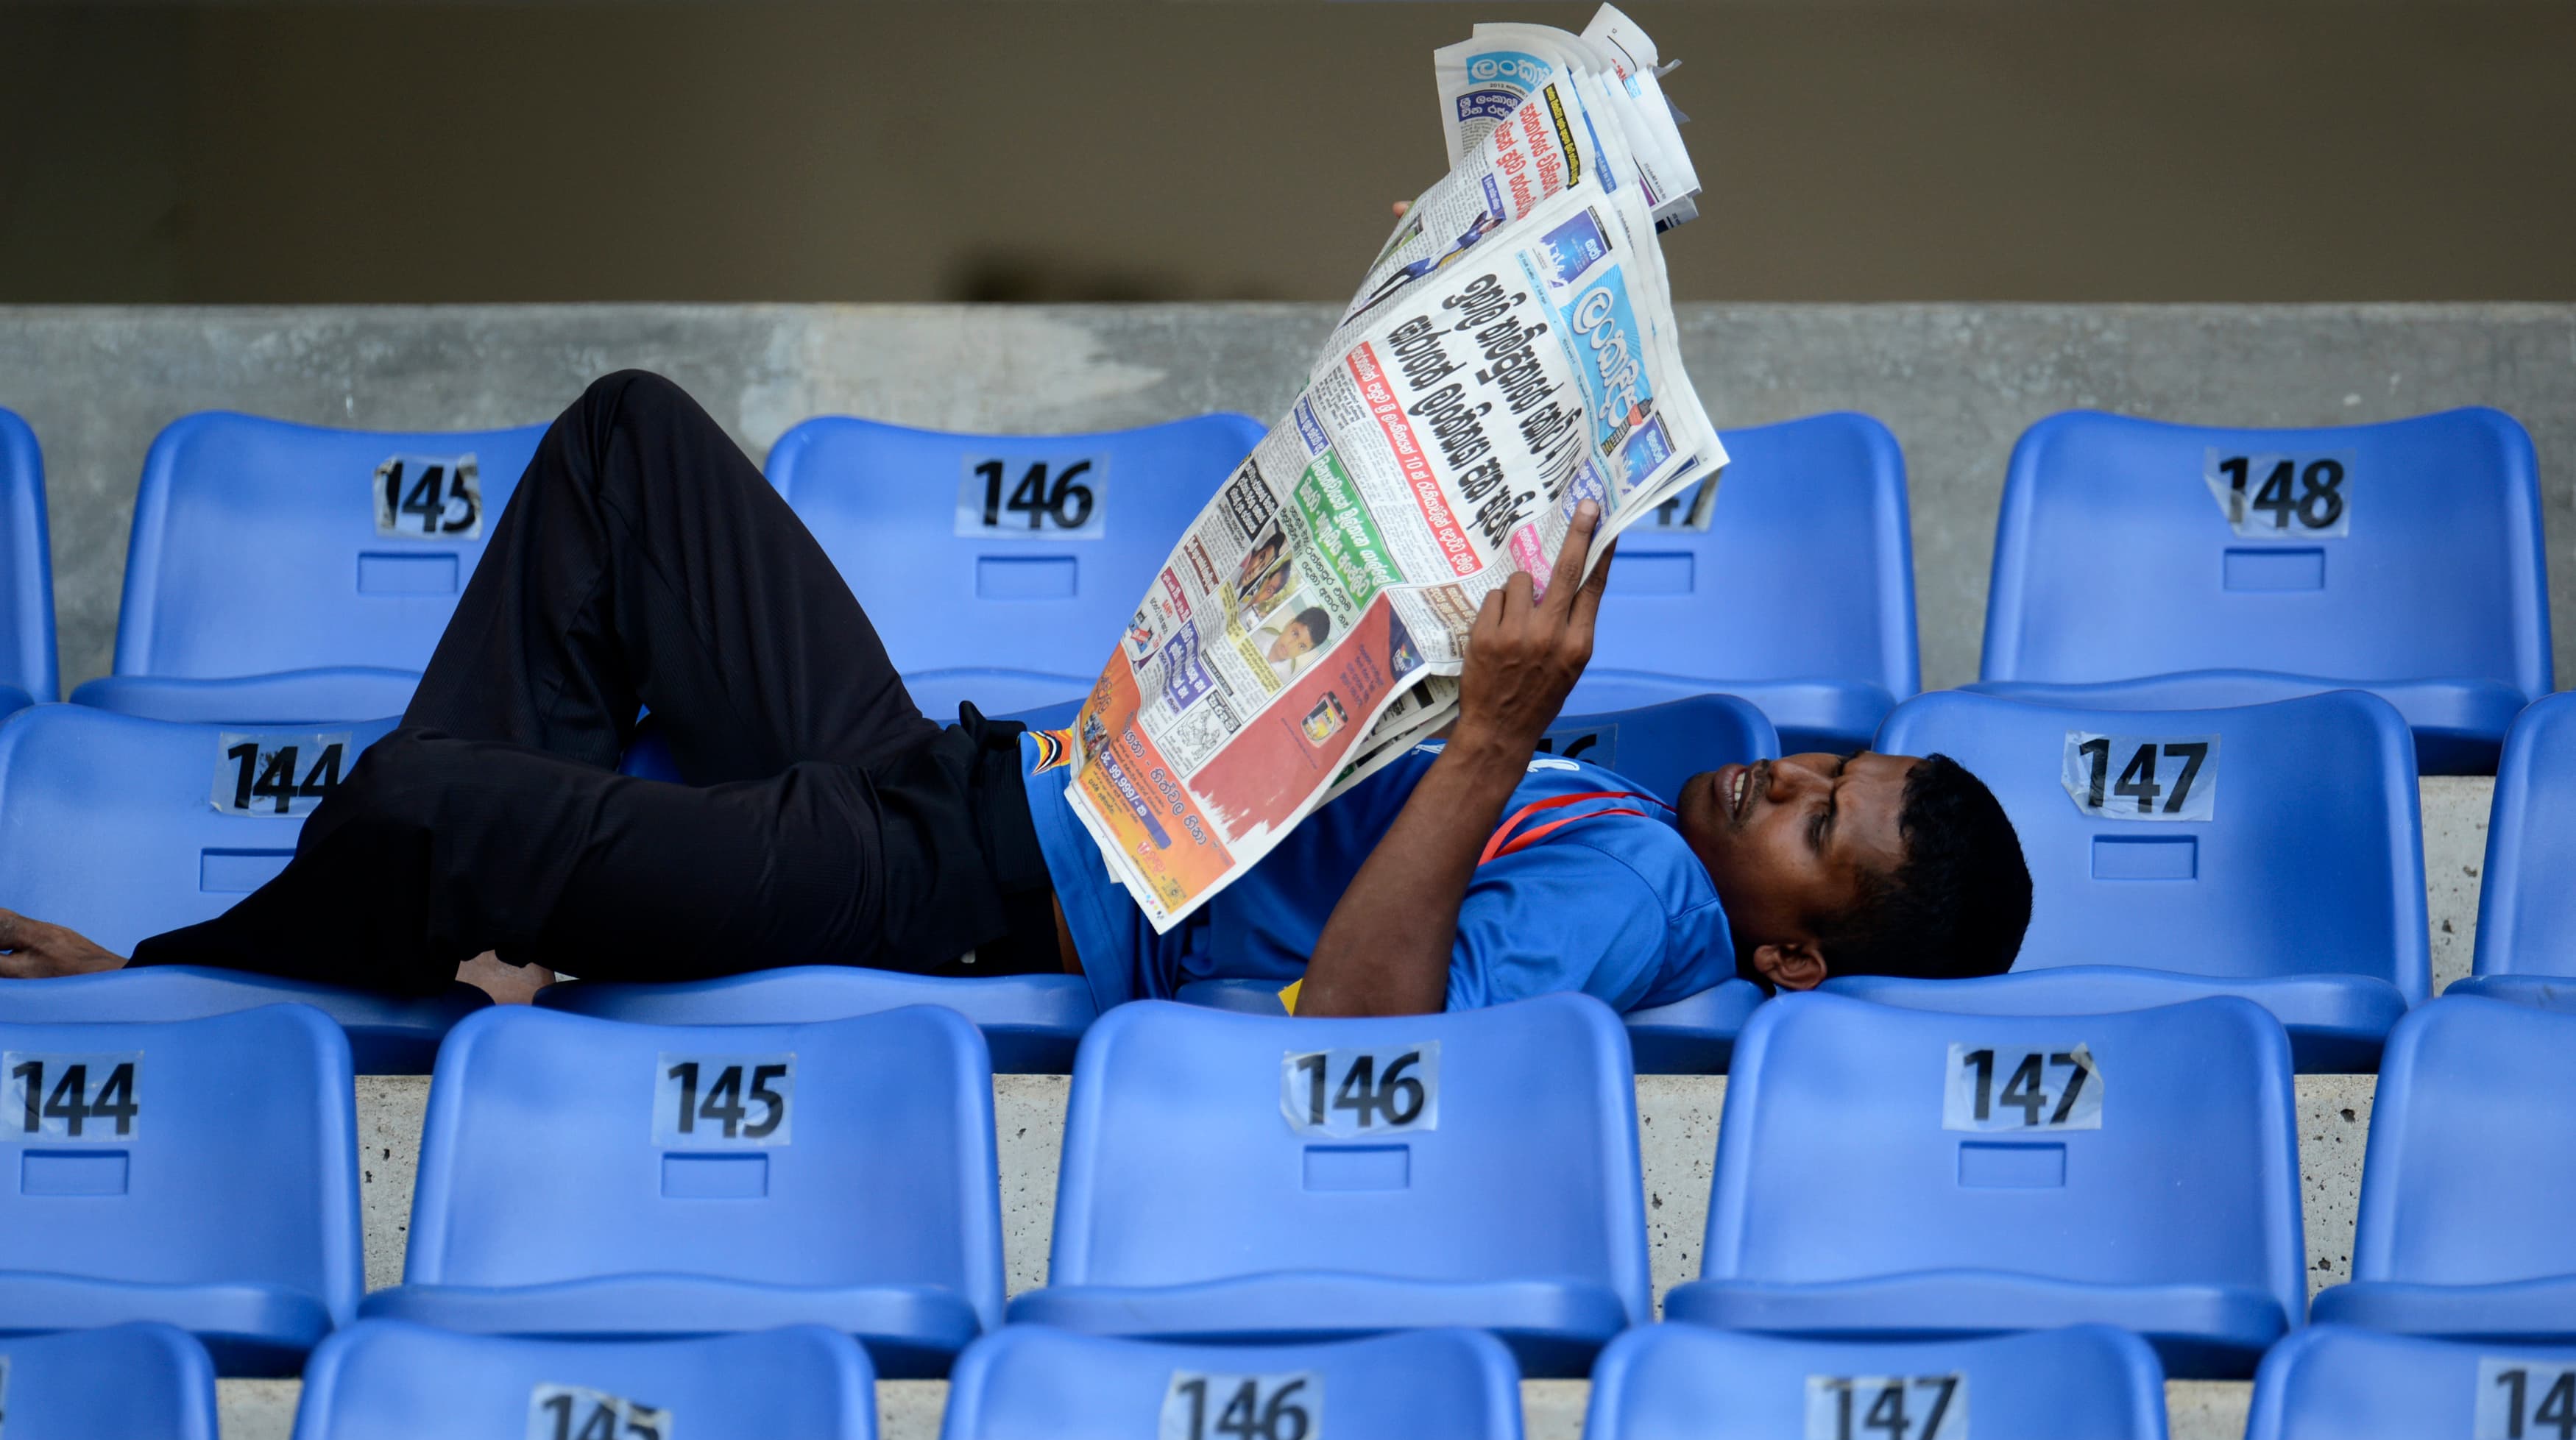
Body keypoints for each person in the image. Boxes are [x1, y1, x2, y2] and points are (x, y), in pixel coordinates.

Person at [0, 372, 2033, 1019]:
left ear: (1791, 956)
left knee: (454, 820)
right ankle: (458, 920)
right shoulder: (1650, 792)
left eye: (1815, 825)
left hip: (953, 895)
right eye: (1823, 766)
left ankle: (174, 993)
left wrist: (1488, 729)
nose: (1780, 775)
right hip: (952, 775)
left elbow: (1356, 1031)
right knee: (630, 450)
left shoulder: (1644, 911)